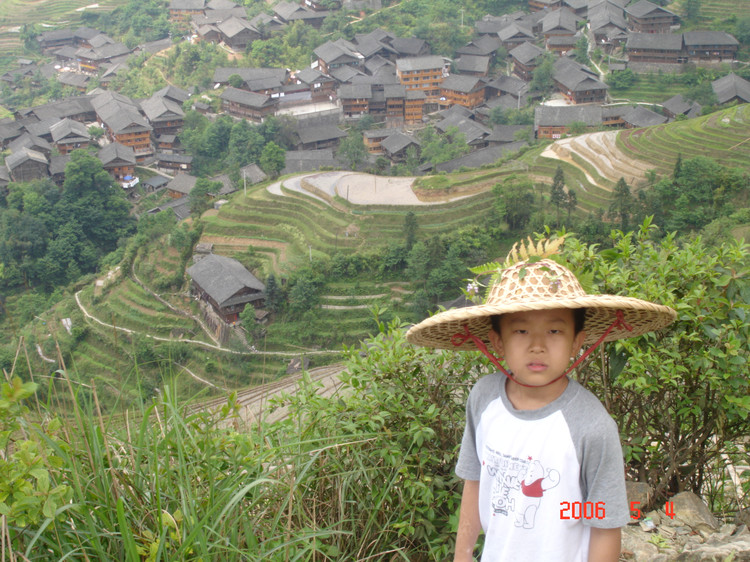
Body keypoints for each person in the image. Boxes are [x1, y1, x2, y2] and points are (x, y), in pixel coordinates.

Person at [405, 257, 676, 562]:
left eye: (554, 332)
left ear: (578, 342)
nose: (537, 345)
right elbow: (474, 481)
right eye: (520, 331)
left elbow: (605, 525)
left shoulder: (592, 426)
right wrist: (463, 555)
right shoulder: (483, 398)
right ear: (497, 341)